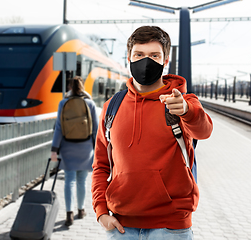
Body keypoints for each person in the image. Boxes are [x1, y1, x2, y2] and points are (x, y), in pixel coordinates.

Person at [91, 26, 213, 239]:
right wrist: (101, 211)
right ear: (128, 57)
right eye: (139, 54)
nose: (145, 61)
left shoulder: (183, 102)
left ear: (165, 60)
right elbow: (101, 165)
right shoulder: (112, 107)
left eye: (154, 55)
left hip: (171, 228)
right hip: (121, 226)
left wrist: (186, 111)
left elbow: (204, 130)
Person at [51, 76, 98, 226]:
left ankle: (69, 213)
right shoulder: (90, 103)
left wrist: (54, 149)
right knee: (82, 181)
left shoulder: (63, 103)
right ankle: (81, 209)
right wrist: (98, 149)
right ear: (82, 86)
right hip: (85, 148)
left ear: (70, 87)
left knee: (69, 181)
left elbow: (58, 128)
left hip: (67, 147)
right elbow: (96, 129)